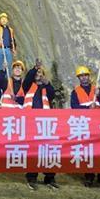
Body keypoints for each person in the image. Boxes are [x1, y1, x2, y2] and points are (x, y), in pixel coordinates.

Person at [70, 66, 100, 189]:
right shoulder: (75, 92)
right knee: (89, 151)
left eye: (86, 75)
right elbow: (74, 107)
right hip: (86, 126)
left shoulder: (97, 89)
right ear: (79, 78)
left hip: (99, 125)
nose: (84, 77)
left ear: (89, 76)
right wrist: (87, 108)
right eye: (81, 76)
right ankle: (89, 177)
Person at [22, 62, 59, 190]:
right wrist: (35, 68)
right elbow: (27, 79)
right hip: (31, 124)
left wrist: (47, 83)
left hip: (45, 124)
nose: (38, 75)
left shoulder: (46, 88)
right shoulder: (28, 86)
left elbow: (52, 95)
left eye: (40, 73)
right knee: (33, 151)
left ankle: (50, 178)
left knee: (48, 151)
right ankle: (31, 177)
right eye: (37, 73)